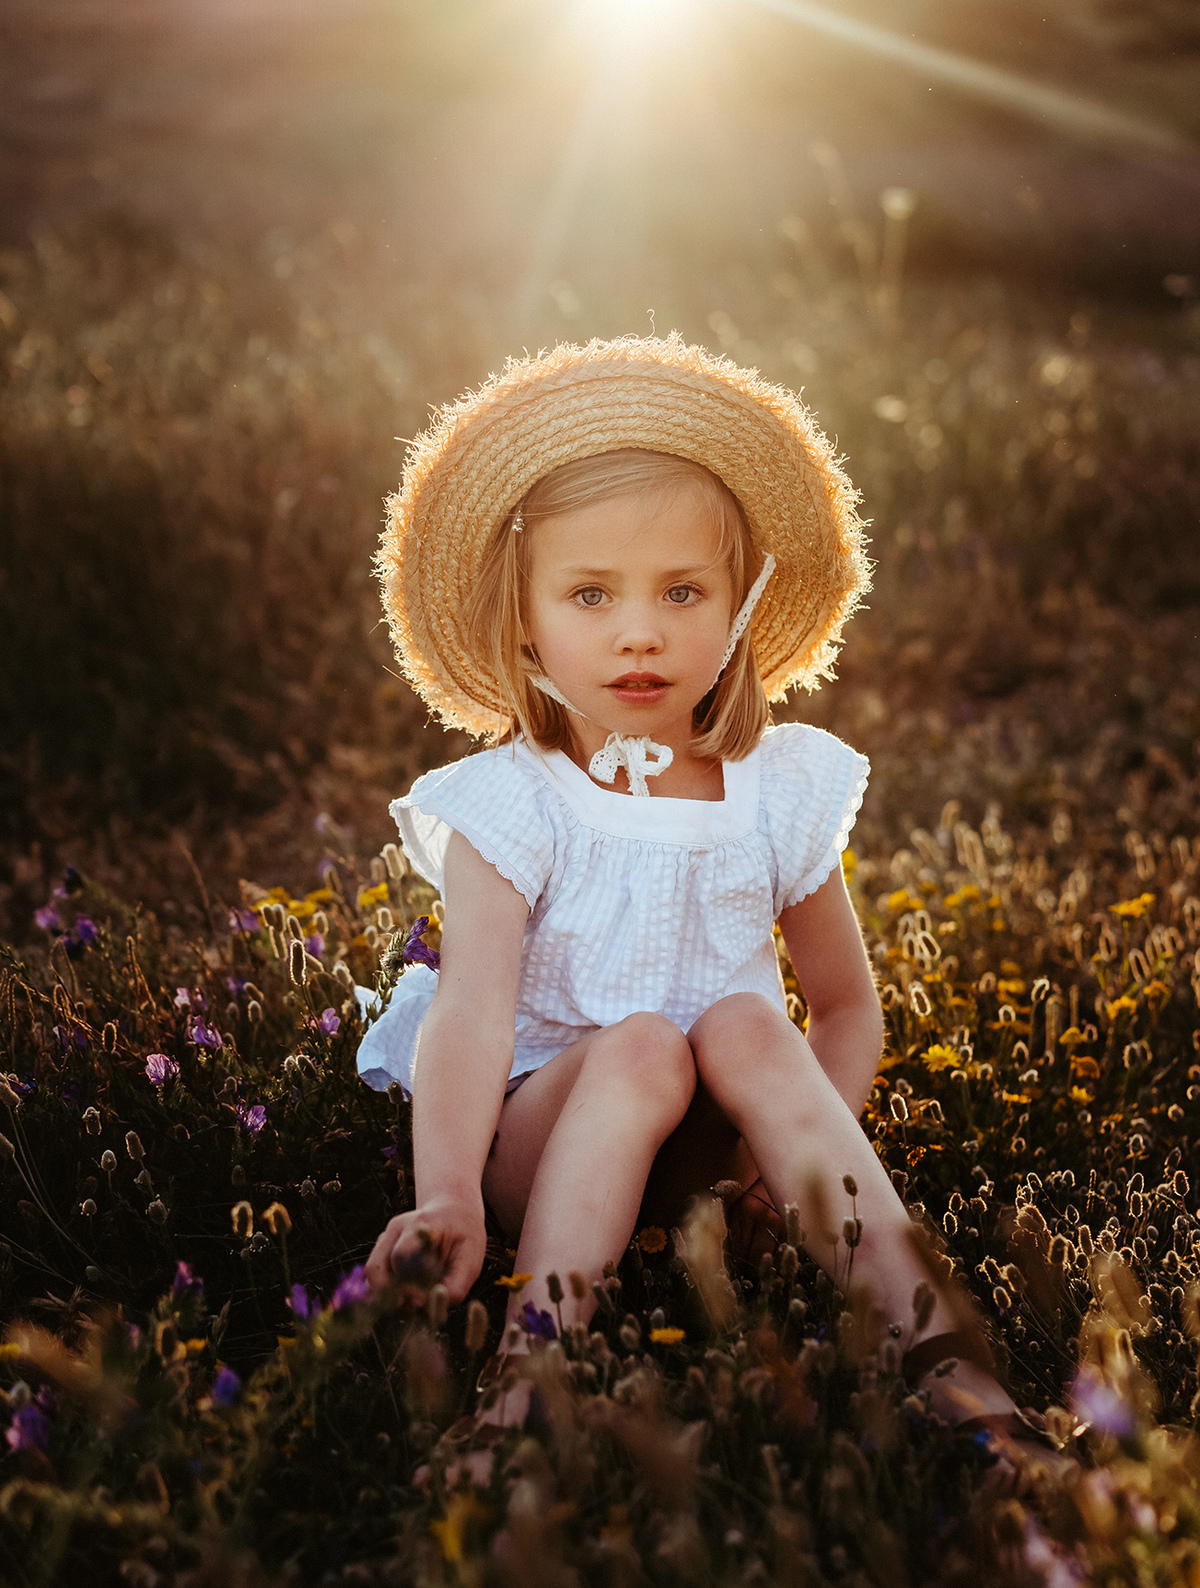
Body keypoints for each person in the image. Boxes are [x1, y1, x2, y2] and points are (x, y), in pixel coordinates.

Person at [358, 335, 1050, 1459]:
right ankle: (529, 1377)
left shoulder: (776, 790)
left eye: (682, 590)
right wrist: (449, 1196)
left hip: (713, 1156)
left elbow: (842, 1006)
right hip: (550, 1134)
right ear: (525, 616)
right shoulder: (515, 803)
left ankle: (947, 1362)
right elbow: (471, 1013)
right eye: (591, 594)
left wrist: (796, 1159)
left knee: (741, 1021)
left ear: (742, 602)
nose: (641, 630)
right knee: (640, 1045)